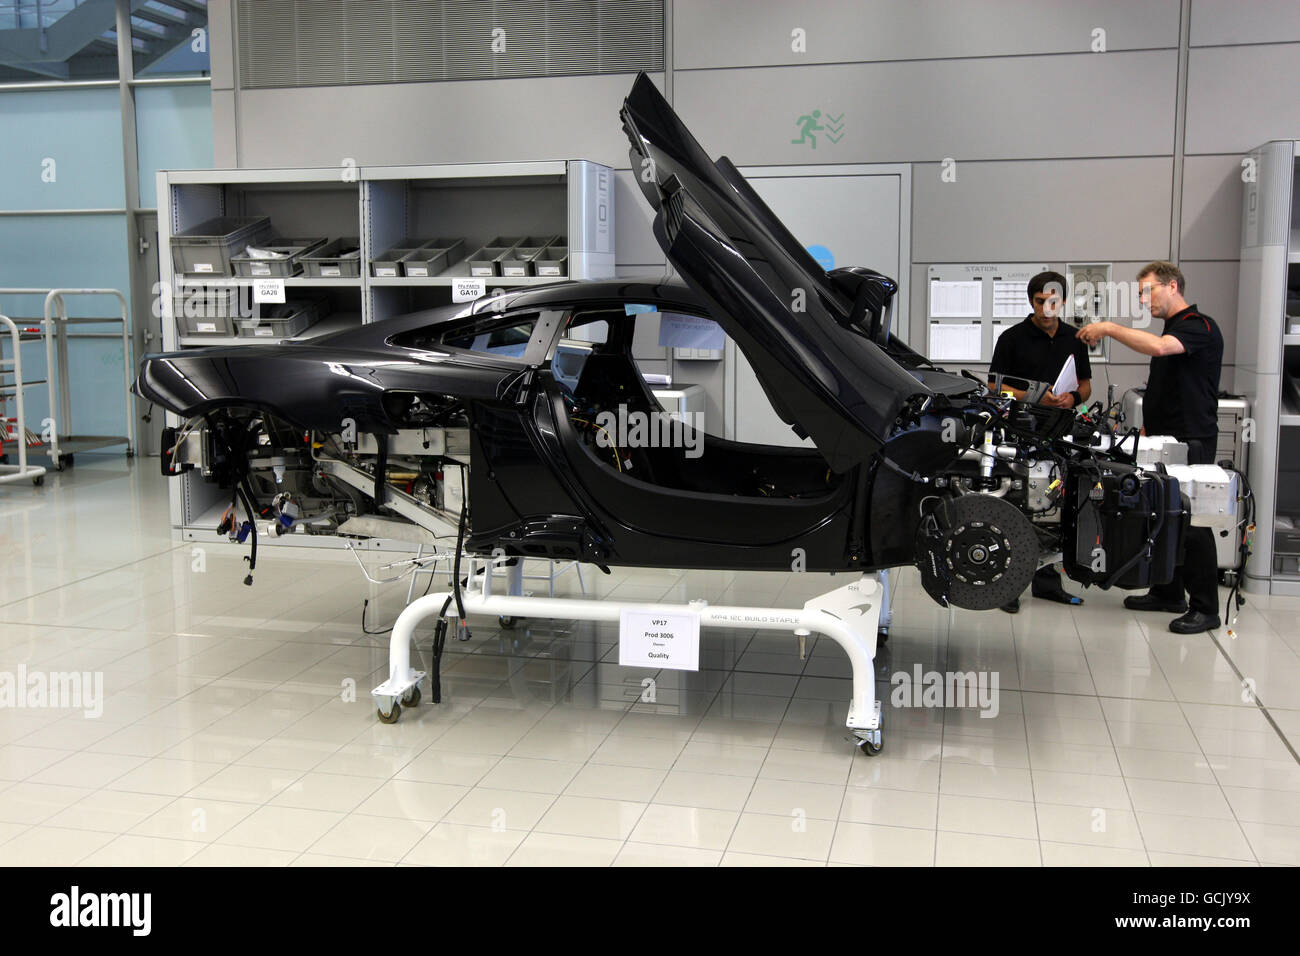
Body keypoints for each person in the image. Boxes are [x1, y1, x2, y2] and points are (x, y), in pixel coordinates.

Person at [1078, 261, 1223, 634]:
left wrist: (1108, 327)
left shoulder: (1198, 327)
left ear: (1172, 286)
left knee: (1192, 519)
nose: (1144, 300)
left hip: (1191, 439)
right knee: (1164, 512)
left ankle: (1206, 607)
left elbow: (1160, 348)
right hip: (1165, 437)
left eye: (1148, 291)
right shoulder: (1176, 327)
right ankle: (1169, 591)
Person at [987, 271, 1092, 613]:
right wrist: (1032, 397)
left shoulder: (1075, 338)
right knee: (1017, 505)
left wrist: (1072, 397)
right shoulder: (1011, 338)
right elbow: (993, 387)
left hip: (1060, 430)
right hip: (1021, 431)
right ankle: (1010, 585)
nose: (1047, 309)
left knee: (1055, 508)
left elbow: (1086, 385)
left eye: (1053, 302)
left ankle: (1048, 583)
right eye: (1039, 302)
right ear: (1030, 301)